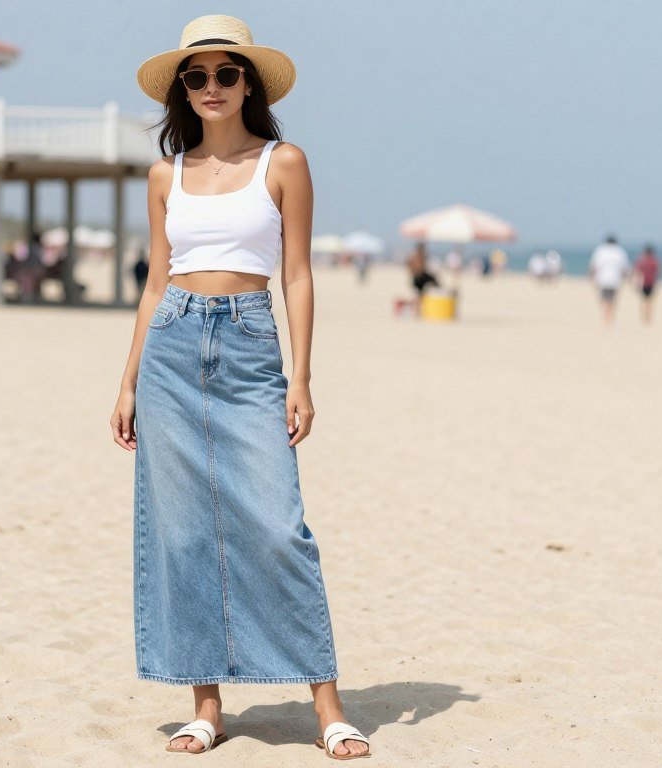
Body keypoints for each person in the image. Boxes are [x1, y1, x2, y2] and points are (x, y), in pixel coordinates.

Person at [111, 15, 370, 760]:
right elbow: (156, 283)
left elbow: (297, 274)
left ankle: (327, 705)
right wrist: (127, 382)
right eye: (197, 77)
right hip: (171, 350)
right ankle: (206, 705)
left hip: (252, 346)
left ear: (248, 83)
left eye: (227, 74)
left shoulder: (283, 162)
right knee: (184, 533)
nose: (212, 87)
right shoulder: (167, 174)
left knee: (278, 525)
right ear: (181, 91)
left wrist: (302, 376)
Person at [588, 234, 630, 324]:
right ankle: (609, 316)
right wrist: (627, 278)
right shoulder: (619, 251)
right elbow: (624, 267)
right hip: (615, 280)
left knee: (604, 298)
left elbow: (594, 265)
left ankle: (606, 316)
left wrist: (591, 276)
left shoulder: (600, 250)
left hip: (602, 279)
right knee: (612, 299)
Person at [407, 241, 439, 315]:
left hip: (418, 277)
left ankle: (417, 310)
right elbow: (414, 266)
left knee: (419, 295)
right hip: (418, 278)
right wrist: (414, 271)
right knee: (418, 295)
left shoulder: (418, 256)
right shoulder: (417, 256)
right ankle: (416, 311)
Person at [632, 244, 661, 324]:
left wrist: (636, 282)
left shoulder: (641, 261)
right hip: (651, 283)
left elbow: (636, 271)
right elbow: (658, 272)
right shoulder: (654, 261)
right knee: (649, 301)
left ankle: (644, 316)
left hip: (643, 283)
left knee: (643, 300)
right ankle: (648, 317)